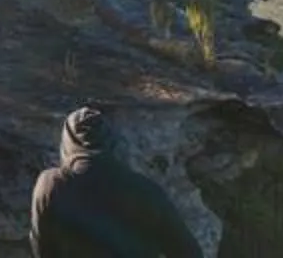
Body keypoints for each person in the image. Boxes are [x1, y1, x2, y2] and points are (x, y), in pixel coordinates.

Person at [29, 105, 198, 257]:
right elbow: (188, 251)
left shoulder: (52, 185)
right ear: (111, 141)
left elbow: (41, 247)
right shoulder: (145, 190)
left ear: (68, 143)